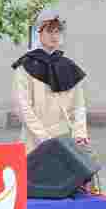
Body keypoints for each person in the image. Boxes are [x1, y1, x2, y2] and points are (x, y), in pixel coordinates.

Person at [12, 11, 88, 154]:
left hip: (66, 139)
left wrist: (80, 133)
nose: (54, 36)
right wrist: (44, 137)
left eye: (58, 31)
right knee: (34, 175)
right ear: (38, 33)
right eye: (49, 31)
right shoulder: (25, 66)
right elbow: (22, 106)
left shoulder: (69, 66)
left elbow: (79, 105)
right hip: (34, 140)